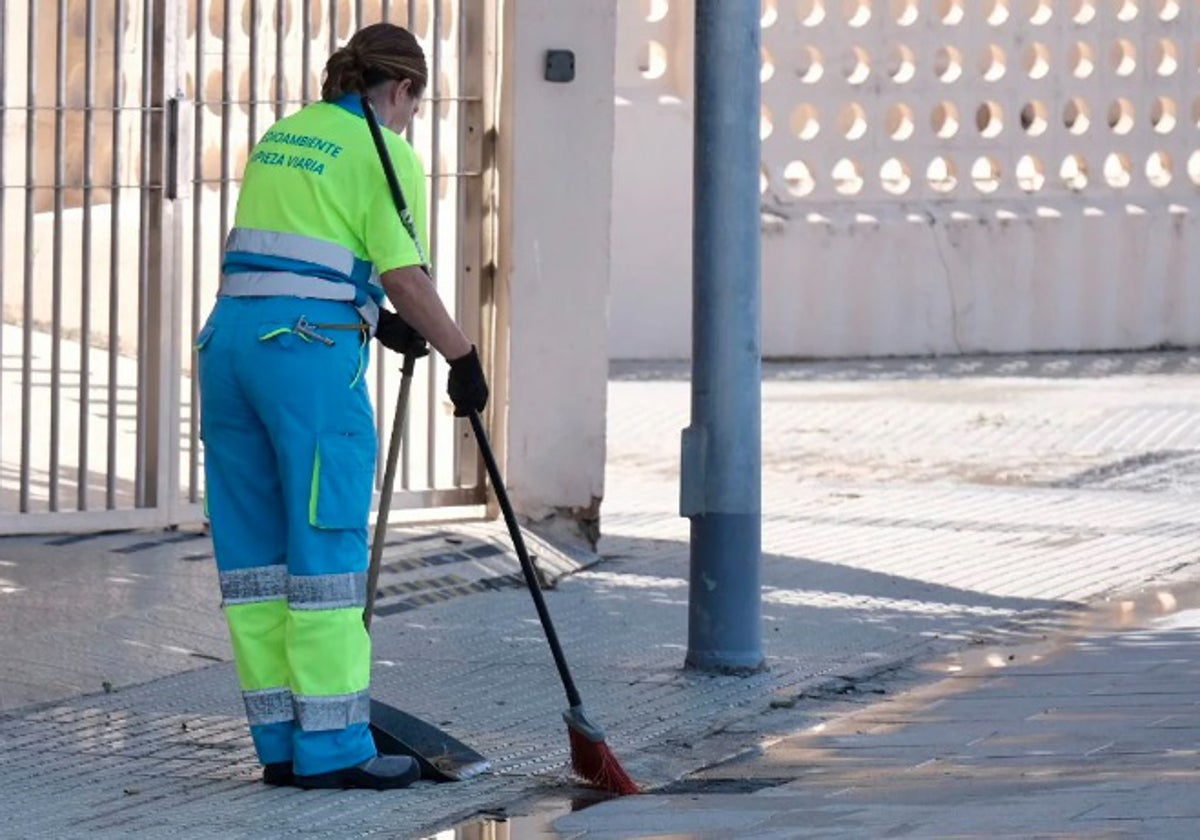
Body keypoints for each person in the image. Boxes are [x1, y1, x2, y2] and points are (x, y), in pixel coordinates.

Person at [196, 22, 488, 791]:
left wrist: (371, 313)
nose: (412, 119)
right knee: (325, 555)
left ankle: (280, 745)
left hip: (229, 347)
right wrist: (461, 356)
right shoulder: (387, 151)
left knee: (255, 560)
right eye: (415, 106)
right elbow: (406, 274)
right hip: (307, 358)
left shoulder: (285, 133)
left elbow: (298, 248)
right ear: (402, 90)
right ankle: (333, 748)